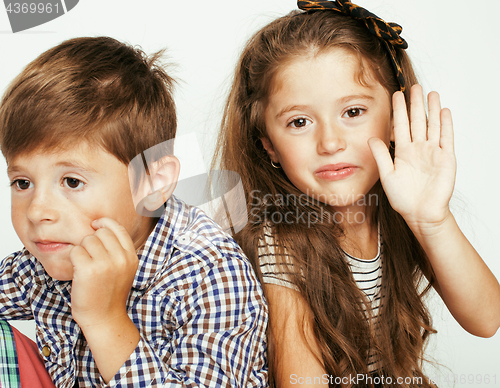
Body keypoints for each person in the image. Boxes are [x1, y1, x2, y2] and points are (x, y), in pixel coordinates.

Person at [212, 1, 500, 387]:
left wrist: (431, 220)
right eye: (299, 122)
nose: (330, 142)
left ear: (396, 120)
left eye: (353, 112)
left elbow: (486, 318)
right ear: (269, 146)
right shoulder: (279, 243)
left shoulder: (398, 214)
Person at [0, 36, 268, 387]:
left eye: (72, 181)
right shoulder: (47, 256)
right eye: (22, 183)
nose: (37, 211)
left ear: (153, 183)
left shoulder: (208, 273)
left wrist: (105, 319)